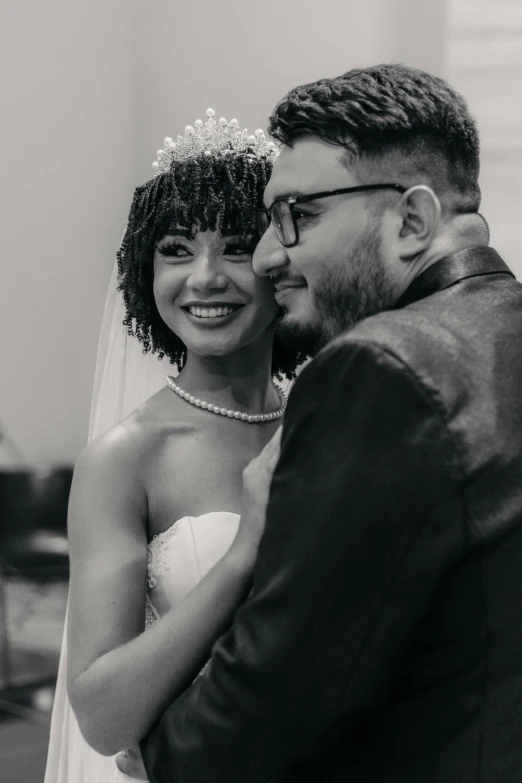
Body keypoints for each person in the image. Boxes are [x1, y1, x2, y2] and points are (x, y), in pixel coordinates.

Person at [136, 64, 522, 783]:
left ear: (412, 220)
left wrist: (161, 745)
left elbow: (283, 687)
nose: (269, 256)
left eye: (298, 216)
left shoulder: (379, 366)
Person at [43, 109, 304, 783]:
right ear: (143, 271)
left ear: (283, 261)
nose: (206, 278)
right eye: (177, 249)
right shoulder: (126, 457)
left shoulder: (324, 411)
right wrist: (245, 550)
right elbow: (102, 718)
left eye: (238, 246)